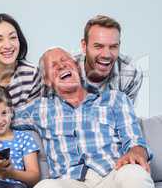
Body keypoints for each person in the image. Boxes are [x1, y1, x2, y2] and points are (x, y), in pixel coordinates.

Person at [13, 47, 154, 188]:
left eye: (65, 60)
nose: (61, 65)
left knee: (134, 173)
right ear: (47, 80)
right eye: (53, 65)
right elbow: (1, 115)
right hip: (70, 181)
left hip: (113, 174)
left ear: (77, 68)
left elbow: (134, 140)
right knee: (45, 186)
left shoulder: (115, 99)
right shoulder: (39, 109)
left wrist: (137, 152)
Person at [76, 15, 143, 103]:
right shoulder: (65, 69)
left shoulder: (131, 72)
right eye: (98, 46)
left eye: (113, 47)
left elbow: (124, 114)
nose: (106, 55)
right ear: (84, 46)